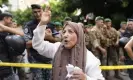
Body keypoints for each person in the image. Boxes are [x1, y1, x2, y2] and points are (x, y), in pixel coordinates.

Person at [32, 7, 105, 80]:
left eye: (70, 32)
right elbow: (38, 45)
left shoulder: (90, 59)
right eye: (64, 32)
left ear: (79, 36)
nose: (65, 35)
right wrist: (43, 23)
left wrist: (85, 78)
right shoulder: (57, 49)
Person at [0, 12, 24, 80]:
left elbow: (22, 34)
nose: (11, 21)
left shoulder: (6, 30)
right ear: (5, 19)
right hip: (4, 68)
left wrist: (6, 28)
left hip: (8, 64)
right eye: (10, 19)